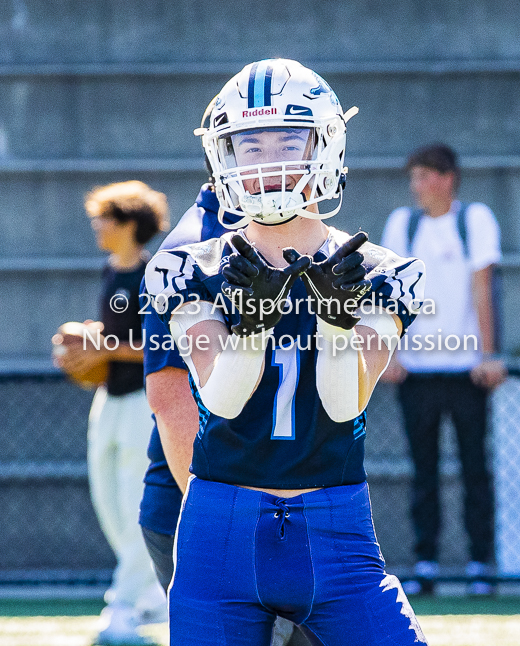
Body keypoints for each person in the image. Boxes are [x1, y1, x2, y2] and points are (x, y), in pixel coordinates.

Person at [145, 58, 428, 645]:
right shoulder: (185, 266)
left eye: (288, 139)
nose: (269, 158)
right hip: (219, 527)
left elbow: (342, 401)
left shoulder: (382, 271)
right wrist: (251, 327)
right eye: (250, 143)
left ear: (324, 144)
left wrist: (335, 322)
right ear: (223, 155)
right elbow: (220, 401)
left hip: (337, 527)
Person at [139, 183, 299, 646]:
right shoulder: (195, 250)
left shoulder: (292, 231)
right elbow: (172, 398)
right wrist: (235, 522)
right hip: (220, 510)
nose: (279, 160)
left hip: (296, 506)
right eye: (257, 142)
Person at [381, 144, 507, 595]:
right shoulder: (402, 224)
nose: (417, 185)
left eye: (424, 175)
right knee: (423, 471)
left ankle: (479, 565)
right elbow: (393, 294)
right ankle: (425, 563)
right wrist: (391, 354)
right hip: (416, 372)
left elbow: (483, 289)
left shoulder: (475, 220)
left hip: (467, 371)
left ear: (447, 177)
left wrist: (489, 356)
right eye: (413, 176)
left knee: (476, 468)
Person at [55, 181, 170, 646]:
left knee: (137, 505)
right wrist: (83, 339)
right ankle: (150, 599)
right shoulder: (110, 271)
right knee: (110, 505)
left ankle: (123, 607)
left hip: (145, 402)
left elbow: (163, 347)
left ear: (127, 224)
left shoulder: (152, 276)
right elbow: (113, 336)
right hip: (110, 399)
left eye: (104, 217)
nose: (97, 225)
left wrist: (103, 347)